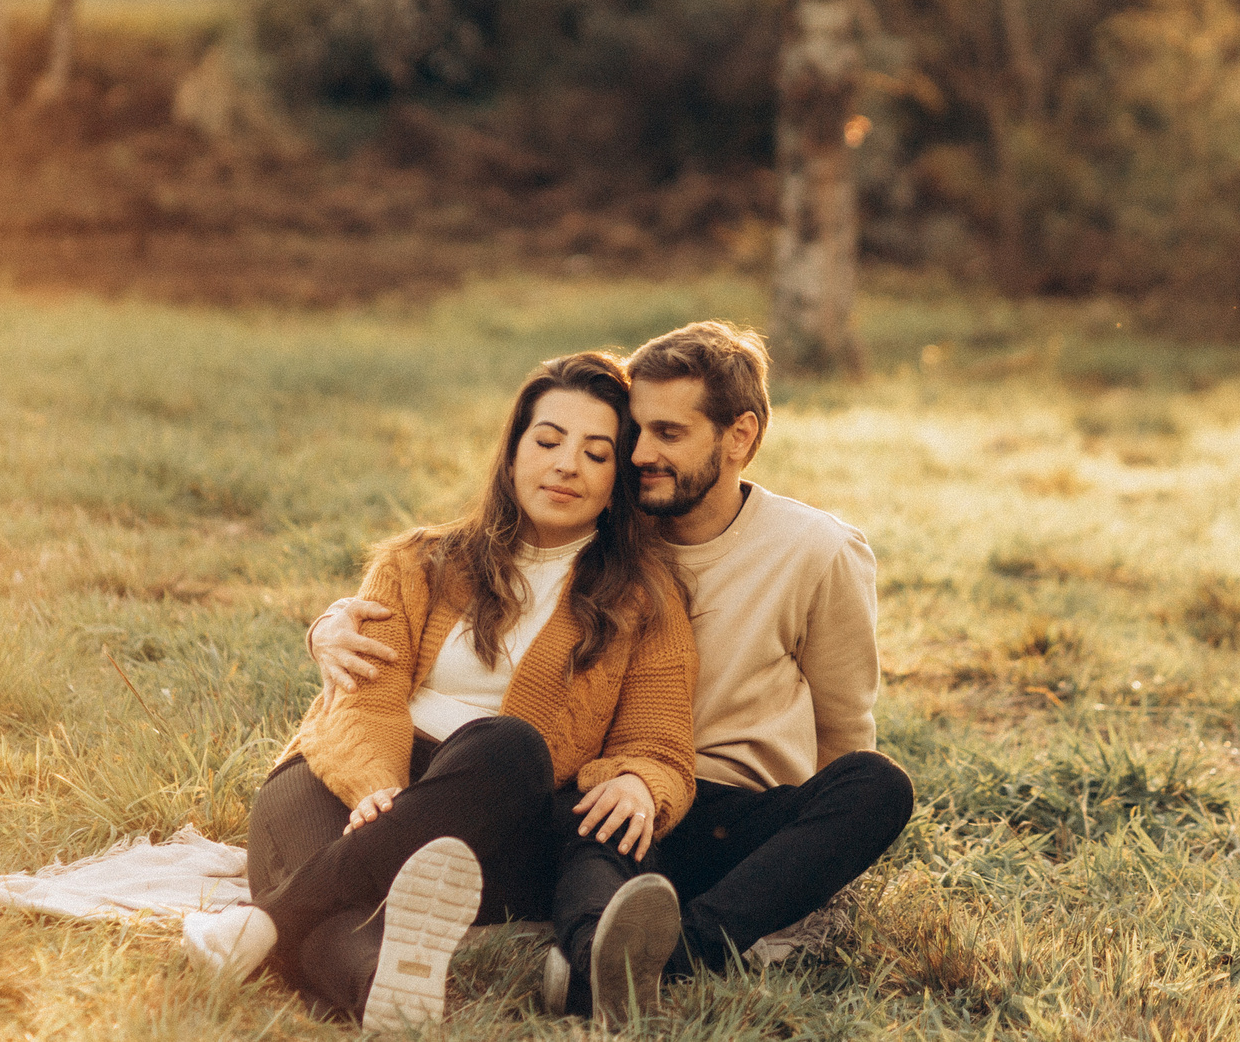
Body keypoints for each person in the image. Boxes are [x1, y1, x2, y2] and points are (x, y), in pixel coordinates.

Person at [311, 321, 912, 1021]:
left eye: (668, 433)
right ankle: (610, 959)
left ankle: (674, 952)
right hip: (602, 798)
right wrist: (329, 623)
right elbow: (483, 567)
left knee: (879, 784)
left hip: (734, 808)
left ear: (740, 436)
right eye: (634, 434)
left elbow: (845, 727)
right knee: (594, 822)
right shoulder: (608, 534)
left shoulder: (818, 549)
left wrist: (809, 859)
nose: (641, 455)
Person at [188, 351, 696, 1030]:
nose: (566, 464)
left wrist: (642, 781)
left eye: (596, 453)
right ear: (512, 451)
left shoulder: (645, 600)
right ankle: (388, 993)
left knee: (508, 744)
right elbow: (365, 696)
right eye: (547, 440)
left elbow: (658, 742)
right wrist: (377, 784)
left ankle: (264, 920)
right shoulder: (418, 561)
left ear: (616, 483)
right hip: (351, 780)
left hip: (494, 811)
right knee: (337, 899)